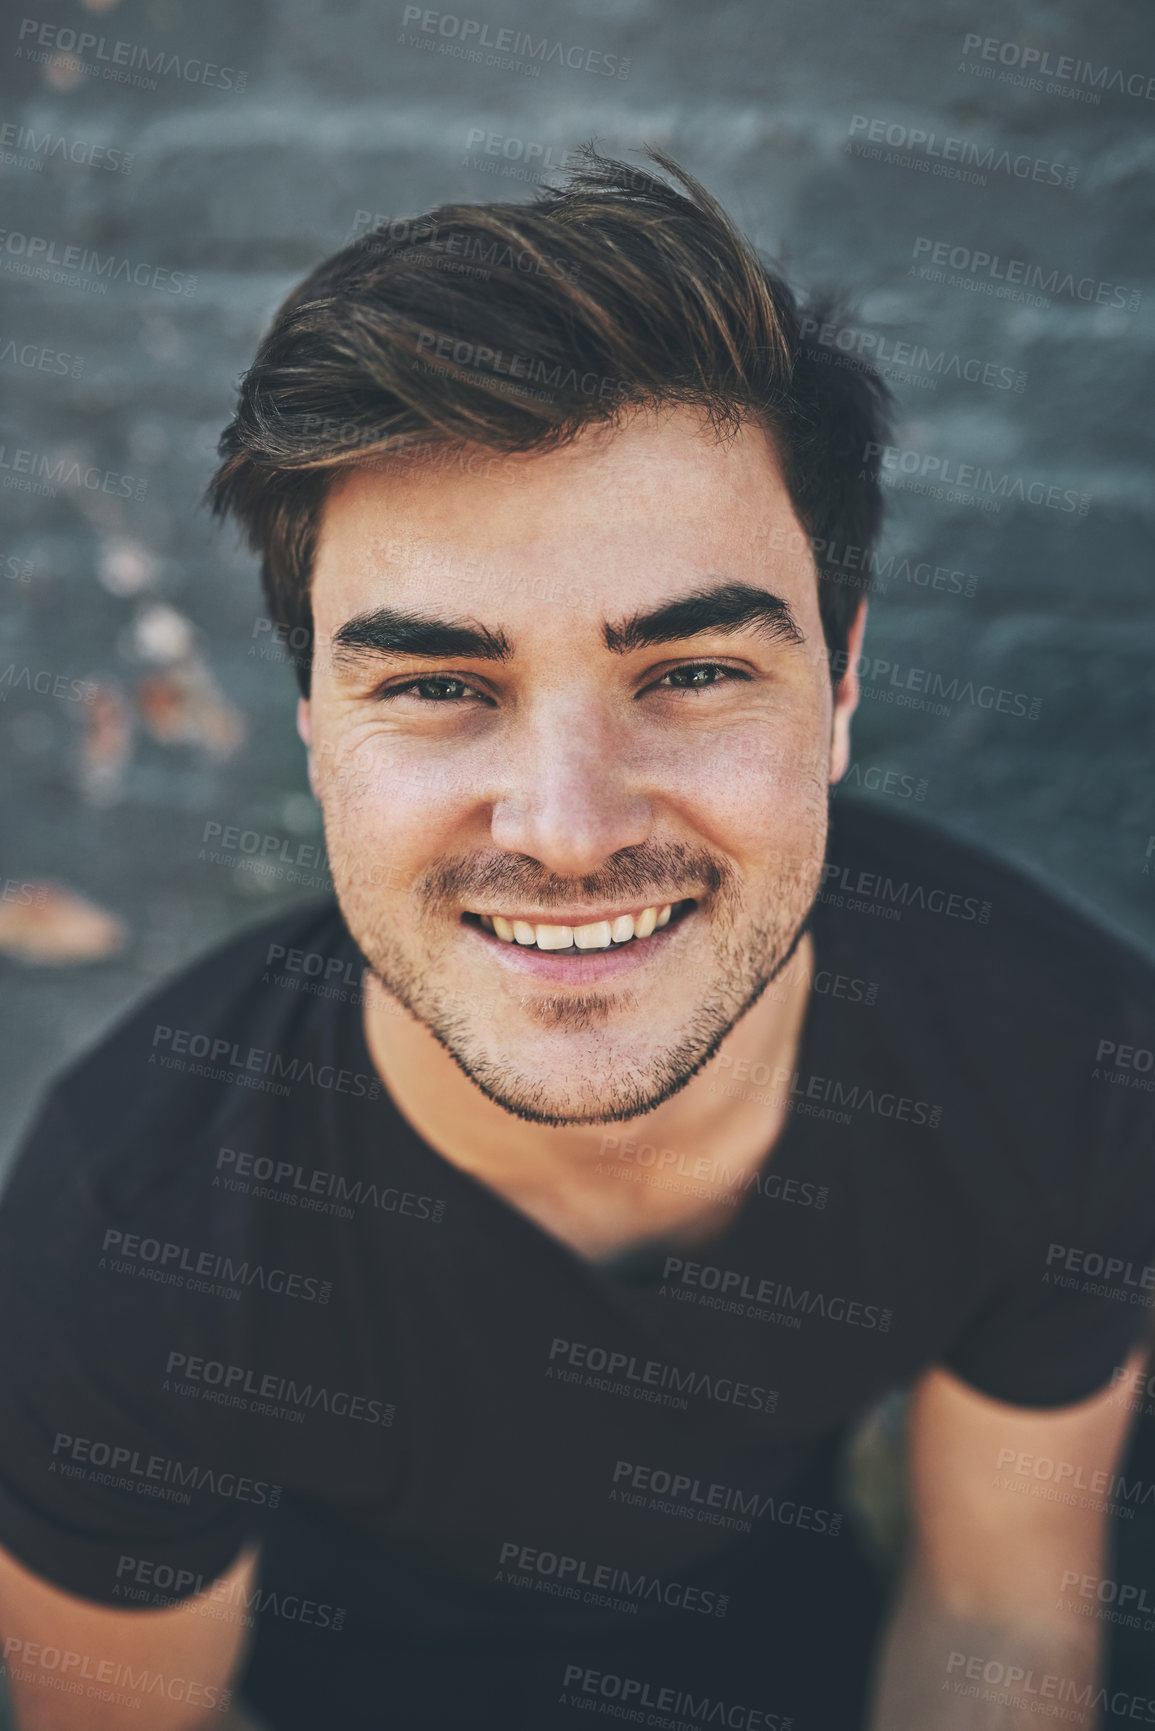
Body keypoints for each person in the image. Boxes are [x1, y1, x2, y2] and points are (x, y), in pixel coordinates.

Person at [0, 150, 1152, 1731]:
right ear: (318, 727)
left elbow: (998, 1614)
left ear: (841, 686)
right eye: (434, 685)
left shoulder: (1064, 1066)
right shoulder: (124, 1226)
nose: (565, 825)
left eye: (689, 671)